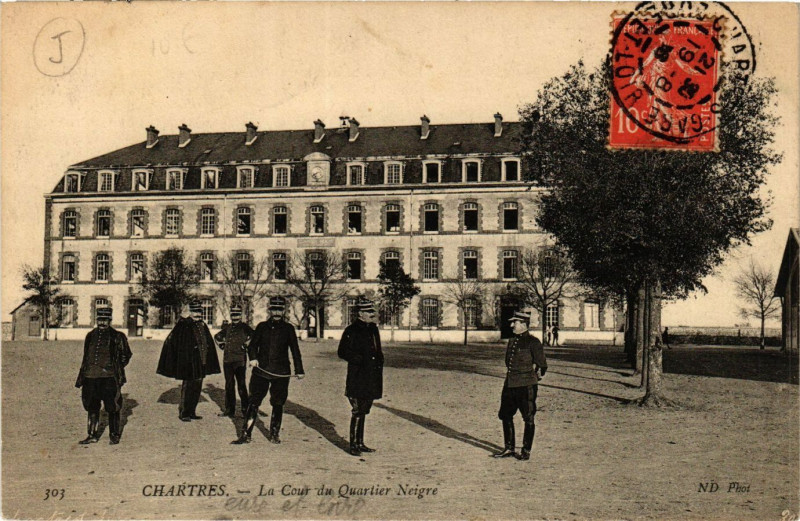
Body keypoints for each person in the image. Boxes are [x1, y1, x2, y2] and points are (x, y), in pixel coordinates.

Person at [232, 296, 304, 444]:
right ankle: (245, 434)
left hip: (281, 372)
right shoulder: (261, 327)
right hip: (261, 370)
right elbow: (252, 346)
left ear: (283, 310)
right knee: (254, 401)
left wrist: (299, 369)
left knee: (278, 402)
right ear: (270, 310)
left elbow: (295, 350)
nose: (277, 312)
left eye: (280, 309)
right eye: (274, 309)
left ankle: (274, 433)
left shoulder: (289, 329)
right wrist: (253, 358)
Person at [493, 310, 547, 461]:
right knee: (505, 415)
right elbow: (507, 362)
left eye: (514, 322)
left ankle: (526, 450)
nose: (511, 325)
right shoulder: (512, 341)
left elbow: (542, 365)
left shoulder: (533, 342)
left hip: (526, 386)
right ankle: (509, 448)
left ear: (523, 324)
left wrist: (535, 378)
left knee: (528, 418)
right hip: (510, 384)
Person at [75, 305, 132, 445]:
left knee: (112, 406)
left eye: (105, 319)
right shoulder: (90, 335)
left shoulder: (118, 336)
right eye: (100, 319)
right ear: (96, 319)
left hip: (109, 378)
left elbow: (126, 355)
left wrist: (115, 367)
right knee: (92, 406)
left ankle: (114, 435)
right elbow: (86, 355)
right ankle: (92, 435)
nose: (102, 322)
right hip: (90, 377)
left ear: (110, 320)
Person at [156, 300, 221, 422]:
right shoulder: (184, 325)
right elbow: (174, 341)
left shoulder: (202, 325)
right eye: (195, 311)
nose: (198, 314)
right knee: (188, 386)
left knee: (197, 386)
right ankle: (184, 412)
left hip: (201, 361)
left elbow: (208, 342)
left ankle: (192, 411)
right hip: (189, 362)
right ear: (190, 312)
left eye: (199, 312)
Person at [338, 299, 384, 457]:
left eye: (372, 312)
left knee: (365, 409)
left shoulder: (373, 329)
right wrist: (358, 359)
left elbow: (377, 350)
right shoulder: (351, 330)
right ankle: (353, 445)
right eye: (369, 312)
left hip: (372, 376)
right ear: (360, 314)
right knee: (357, 409)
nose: (372, 314)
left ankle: (360, 442)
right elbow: (342, 351)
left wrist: (379, 363)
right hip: (357, 376)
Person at [214, 306, 253, 417]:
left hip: (240, 360)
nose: (235, 316)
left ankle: (245, 410)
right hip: (228, 360)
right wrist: (222, 345)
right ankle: (229, 410)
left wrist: (247, 344)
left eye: (237, 314)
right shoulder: (228, 327)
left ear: (240, 315)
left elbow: (255, 336)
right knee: (229, 385)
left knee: (241, 385)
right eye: (233, 314)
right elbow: (217, 336)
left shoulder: (245, 327)